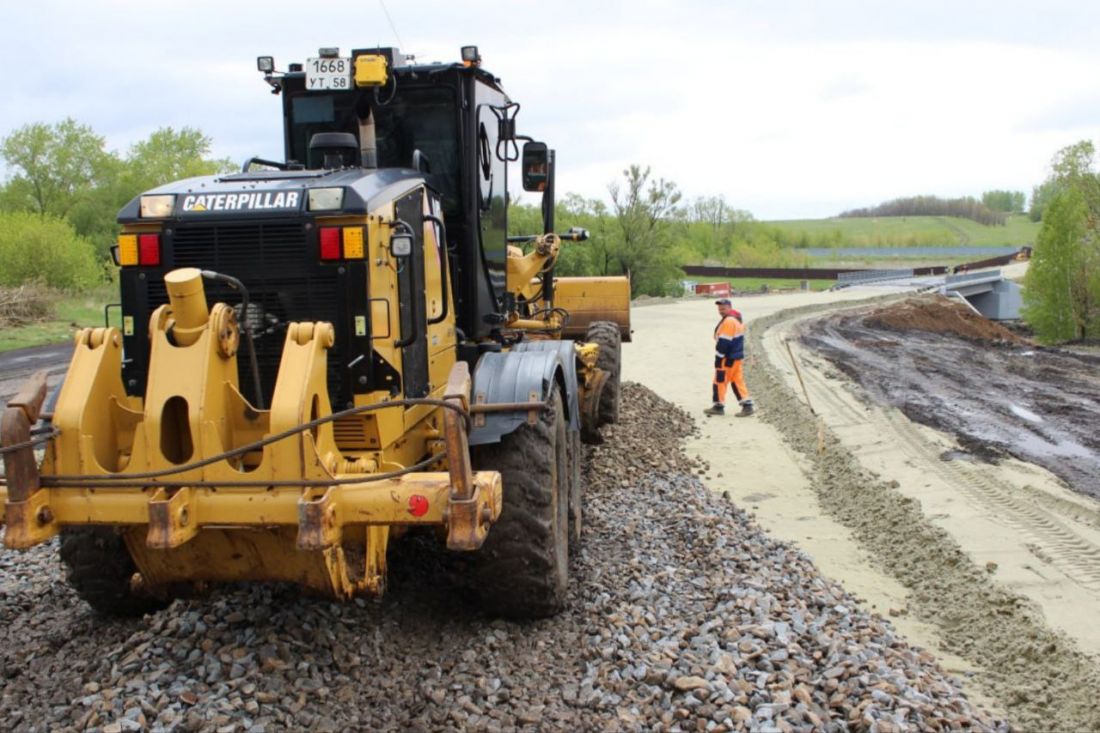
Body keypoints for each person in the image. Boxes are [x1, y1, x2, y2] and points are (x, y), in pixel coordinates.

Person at [705, 299, 754, 417]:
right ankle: (747, 406)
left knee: (719, 381)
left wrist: (718, 358)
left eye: (723, 309)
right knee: (737, 381)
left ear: (729, 307)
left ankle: (718, 406)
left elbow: (724, 342)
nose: (721, 311)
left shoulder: (729, 322)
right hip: (735, 357)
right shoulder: (736, 319)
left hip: (727, 358)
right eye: (719, 309)